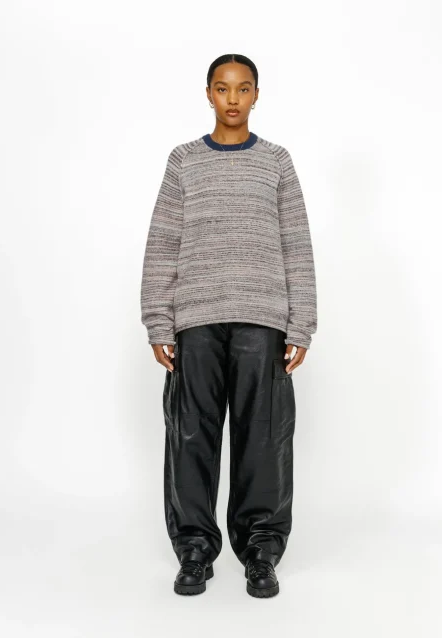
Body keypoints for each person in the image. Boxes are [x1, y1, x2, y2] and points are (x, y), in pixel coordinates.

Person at [140, 53, 317, 598]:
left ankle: (261, 551)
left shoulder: (277, 162)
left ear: (257, 95)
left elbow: (296, 243)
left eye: (243, 89)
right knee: (191, 437)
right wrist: (158, 321)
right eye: (223, 88)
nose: (233, 99)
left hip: (262, 318)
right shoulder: (184, 161)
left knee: (263, 439)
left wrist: (301, 324)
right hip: (195, 319)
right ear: (209, 94)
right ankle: (195, 550)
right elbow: (163, 240)